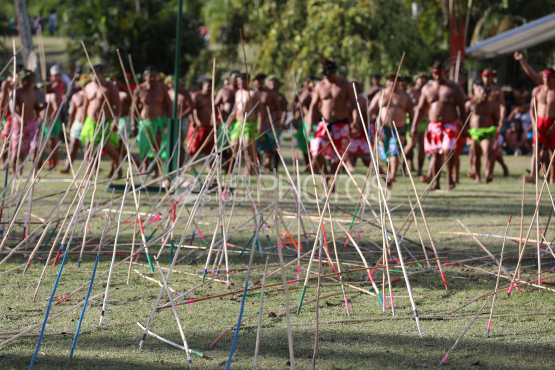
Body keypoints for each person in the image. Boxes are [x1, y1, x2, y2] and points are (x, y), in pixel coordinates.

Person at [413, 61, 467, 190]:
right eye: (435, 74)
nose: (437, 76)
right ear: (432, 73)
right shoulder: (427, 88)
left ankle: (449, 178)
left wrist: (464, 126)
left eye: (440, 73)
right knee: (436, 154)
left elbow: (462, 108)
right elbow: (420, 109)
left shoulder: (454, 88)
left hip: (450, 124)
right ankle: (436, 182)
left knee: (448, 150)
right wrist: (414, 126)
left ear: (446, 73)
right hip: (433, 126)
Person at [307, 58, 359, 189]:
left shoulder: (345, 84)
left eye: (329, 74)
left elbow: (354, 105)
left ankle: (331, 182)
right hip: (324, 123)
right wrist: (309, 124)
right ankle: (327, 176)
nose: (327, 77)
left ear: (335, 72)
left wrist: (356, 121)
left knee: (338, 156)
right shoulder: (320, 86)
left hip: (341, 124)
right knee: (316, 149)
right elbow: (313, 106)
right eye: (325, 75)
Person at [514, 51, 555, 183]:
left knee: (552, 152)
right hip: (540, 122)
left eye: (548, 77)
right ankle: (533, 175)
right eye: (544, 77)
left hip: (553, 122)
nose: (545, 80)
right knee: (536, 149)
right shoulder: (538, 90)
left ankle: (552, 177)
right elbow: (532, 109)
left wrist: (553, 126)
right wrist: (534, 124)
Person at [368, 73, 413, 188]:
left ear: (398, 82)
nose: (392, 83)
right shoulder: (380, 94)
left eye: (395, 81)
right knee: (384, 154)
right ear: (386, 81)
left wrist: (413, 128)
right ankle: (389, 176)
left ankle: (392, 174)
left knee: (395, 150)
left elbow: (412, 113)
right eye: (390, 81)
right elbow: (371, 110)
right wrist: (365, 123)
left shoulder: (405, 96)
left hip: (399, 129)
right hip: (382, 129)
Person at [81, 64, 122, 178]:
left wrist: (115, 120)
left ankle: (118, 167)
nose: (94, 76)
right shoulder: (88, 86)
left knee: (109, 150)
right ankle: (88, 174)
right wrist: (82, 120)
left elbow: (117, 106)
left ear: (102, 74)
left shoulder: (110, 87)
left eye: (96, 73)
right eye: (92, 73)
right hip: (90, 122)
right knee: (88, 147)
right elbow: (85, 105)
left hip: (106, 122)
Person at [131, 66, 172, 177]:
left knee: (157, 146)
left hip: (159, 122)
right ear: (145, 77)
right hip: (144, 122)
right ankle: (145, 166)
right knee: (144, 146)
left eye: (154, 76)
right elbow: (134, 108)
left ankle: (156, 168)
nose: (152, 78)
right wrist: (133, 124)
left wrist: (168, 123)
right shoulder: (140, 89)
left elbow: (169, 106)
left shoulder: (162, 88)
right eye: (150, 76)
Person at [2, 70, 41, 177]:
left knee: (35, 146)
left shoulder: (34, 92)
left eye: (33, 80)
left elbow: (36, 108)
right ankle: (15, 172)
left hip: (32, 122)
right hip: (19, 123)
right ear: (24, 80)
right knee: (18, 149)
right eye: (30, 80)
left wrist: (43, 107)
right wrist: (20, 119)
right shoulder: (15, 92)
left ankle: (34, 173)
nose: (32, 82)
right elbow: (12, 108)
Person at [465, 82, 499, 183]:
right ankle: (477, 176)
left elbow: (496, 118)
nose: (485, 95)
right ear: (478, 93)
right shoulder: (470, 104)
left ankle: (488, 174)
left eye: (487, 93)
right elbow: (464, 118)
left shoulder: (492, 106)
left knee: (488, 153)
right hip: (474, 133)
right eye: (483, 93)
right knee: (476, 155)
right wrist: (466, 131)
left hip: (486, 132)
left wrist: (495, 127)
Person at [481, 68, 509, 177]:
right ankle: (477, 173)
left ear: (492, 77)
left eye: (489, 76)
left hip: (493, 122)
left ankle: (490, 173)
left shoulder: (497, 91)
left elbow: (502, 106)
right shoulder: (479, 90)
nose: (487, 78)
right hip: (481, 124)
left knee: (492, 149)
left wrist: (501, 120)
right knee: (480, 149)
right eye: (485, 76)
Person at [61, 75, 90, 173]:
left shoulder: (92, 95)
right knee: (73, 146)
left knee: (88, 147)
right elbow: (72, 113)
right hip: (77, 123)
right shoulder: (76, 96)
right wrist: (69, 126)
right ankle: (67, 168)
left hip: (89, 123)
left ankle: (89, 169)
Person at [232, 73, 260, 174]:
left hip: (249, 122)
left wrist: (260, 124)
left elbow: (260, 109)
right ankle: (250, 165)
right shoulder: (238, 93)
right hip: (238, 123)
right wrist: (230, 121)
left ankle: (250, 169)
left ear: (247, 80)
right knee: (234, 147)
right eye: (237, 81)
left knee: (248, 146)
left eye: (240, 80)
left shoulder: (253, 93)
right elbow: (235, 108)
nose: (238, 82)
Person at [252, 73, 279, 171]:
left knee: (270, 145)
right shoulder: (252, 93)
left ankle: (268, 164)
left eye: (262, 80)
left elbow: (278, 107)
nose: (260, 82)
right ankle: (256, 166)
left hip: (269, 123)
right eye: (258, 80)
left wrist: (278, 121)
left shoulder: (270, 93)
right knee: (256, 145)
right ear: (253, 81)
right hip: (254, 123)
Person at [404, 73, 429, 176]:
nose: (423, 80)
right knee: (411, 144)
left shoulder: (428, 91)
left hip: (425, 121)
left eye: (425, 79)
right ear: (416, 80)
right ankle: (403, 165)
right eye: (421, 78)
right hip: (412, 121)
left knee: (422, 148)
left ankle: (420, 170)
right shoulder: (410, 92)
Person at [186, 79, 215, 157]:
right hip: (197, 126)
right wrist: (194, 122)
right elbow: (191, 110)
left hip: (208, 127)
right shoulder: (196, 96)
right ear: (203, 85)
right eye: (208, 86)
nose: (210, 88)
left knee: (209, 148)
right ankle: (188, 164)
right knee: (192, 147)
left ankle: (209, 166)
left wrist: (214, 122)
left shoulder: (212, 97)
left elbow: (214, 111)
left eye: (211, 87)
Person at [294, 76, 317, 168]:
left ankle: (314, 165)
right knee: (307, 145)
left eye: (310, 82)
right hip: (307, 122)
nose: (308, 84)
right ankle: (309, 165)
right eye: (306, 82)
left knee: (316, 145)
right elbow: (297, 106)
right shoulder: (304, 93)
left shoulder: (318, 92)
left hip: (318, 122)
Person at [347, 81, 372, 170]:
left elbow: (366, 113)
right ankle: (349, 164)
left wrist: (361, 125)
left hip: (361, 129)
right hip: (347, 129)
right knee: (348, 148)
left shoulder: (361, 99)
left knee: (365, 156)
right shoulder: (345, 99)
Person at [39, 81, 62, 170]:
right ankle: (39, 164)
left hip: (53, 122)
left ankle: (53, 165)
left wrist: (50, 119)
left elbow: (56, 109)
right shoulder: (43, 95)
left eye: (43, 87)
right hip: (43, 123)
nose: (41, 89)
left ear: (48, 87)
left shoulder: (53, 95)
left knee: (53, 144)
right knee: (41, 144)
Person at [165, 75, 193, 149]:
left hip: (183, 119)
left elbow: (191, 107)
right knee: (170, 139)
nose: (171, 85)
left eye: (173, 83)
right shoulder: (168, 93)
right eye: (170, 83)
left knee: (180, 140)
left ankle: (181, 158)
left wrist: (181, 116)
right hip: (170, 119)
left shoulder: (185, 93)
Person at [267, 76, 288, 170]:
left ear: (278, 85)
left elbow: (284, 110)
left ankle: (275, 166)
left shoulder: (281, 96)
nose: (273, 84)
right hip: (267, 124)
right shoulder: (265, 95)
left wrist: (282, 121)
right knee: (266, 145)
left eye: (275, 83)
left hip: (277, 124)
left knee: (276, 146)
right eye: (271, 83)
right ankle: (267, 164)